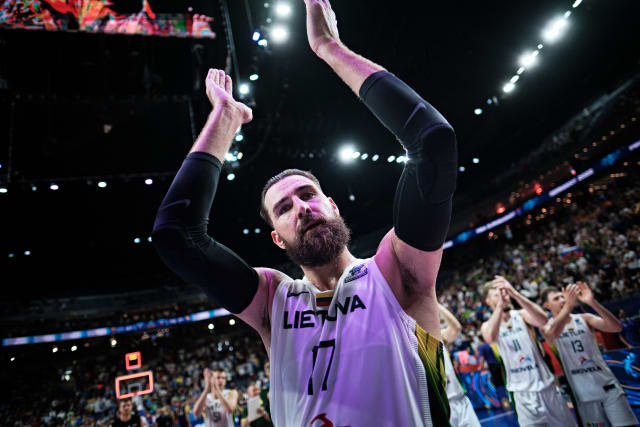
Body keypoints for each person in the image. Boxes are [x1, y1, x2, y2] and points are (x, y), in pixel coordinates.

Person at [152, 0, 457, 424]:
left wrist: (329, 47)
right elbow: (175, 234)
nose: (301, 207)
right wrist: (224, 118)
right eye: (284, 208)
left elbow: (433, 142)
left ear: (331, 205)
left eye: (308, 195)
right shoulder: (273, 301)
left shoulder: (396, 272)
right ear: (277, 238)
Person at [480, 276, 576, 427]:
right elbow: (491, 337)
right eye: (496, 295)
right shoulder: (487, 325)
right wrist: (499, 306)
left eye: (504, 293)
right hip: (522, 395)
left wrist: (515, 293)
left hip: (547, 388)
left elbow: (543, 320)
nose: (503, 297)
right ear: (488, 301)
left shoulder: (522, 315)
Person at [541, 282, 638, 427]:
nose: (562, 300)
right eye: (556, 299)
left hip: (608, 386)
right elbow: (552, 334)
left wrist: (593, 303)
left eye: (562, 297)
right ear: (547, 305)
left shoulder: (584, 318)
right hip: (584, 395)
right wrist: (568, 307)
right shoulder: (547, 327)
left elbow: (616, 327)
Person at [438, 304, 481, 427]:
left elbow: (456, 328)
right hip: (439, 409)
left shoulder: (437, 335)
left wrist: (434, 302)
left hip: (460, 401)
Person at [476, 339, 510, 410]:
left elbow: (482, 358)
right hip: (499, 365)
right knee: (501, 382)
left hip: (492, 366)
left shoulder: (482, 346)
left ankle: (501, 401)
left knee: (497, 384)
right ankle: (506, 399)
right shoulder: (492, 344)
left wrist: (480, 366)